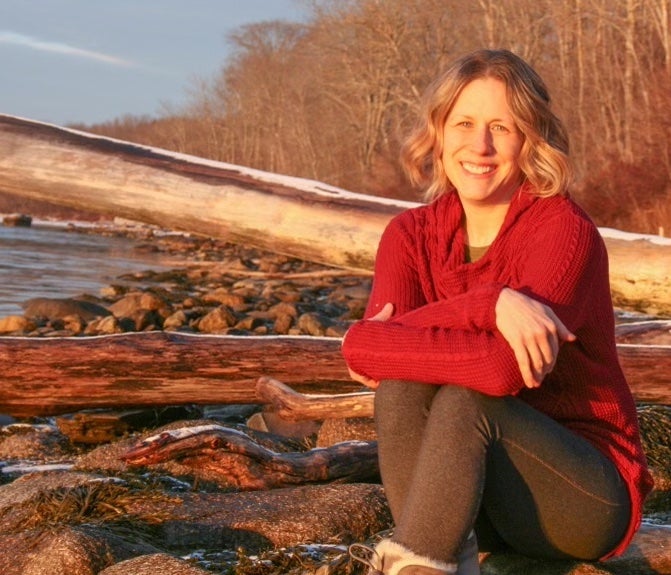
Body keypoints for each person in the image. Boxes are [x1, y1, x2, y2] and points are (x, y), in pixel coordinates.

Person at [342, 49, 653, 575]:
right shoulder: (409, 236)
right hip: (466, 497)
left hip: (581, 495)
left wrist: (387, 339)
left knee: (468, 400)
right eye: (464, 123)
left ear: (530, 138)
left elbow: (502, 370)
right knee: (400, 390)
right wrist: (491, 303)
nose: (480, 146)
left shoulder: (562, 229)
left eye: (502, 127)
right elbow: (363, 352)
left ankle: (418, 564)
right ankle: (438, 553)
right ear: (438, 132)